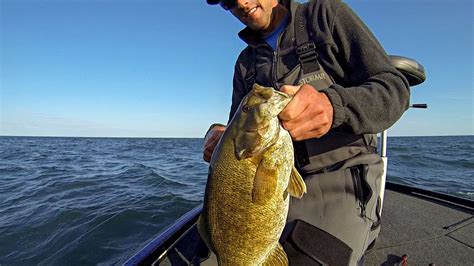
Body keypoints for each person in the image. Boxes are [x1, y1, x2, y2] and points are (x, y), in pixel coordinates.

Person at [203, 0, 410, 265]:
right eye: (227, 1)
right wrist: (216, 133)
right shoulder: (245, 63)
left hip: (341, 179)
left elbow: (395, 90)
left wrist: (334, 106)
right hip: (276, 186)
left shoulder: (326, 16)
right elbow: (236, 124)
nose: (241, 3)